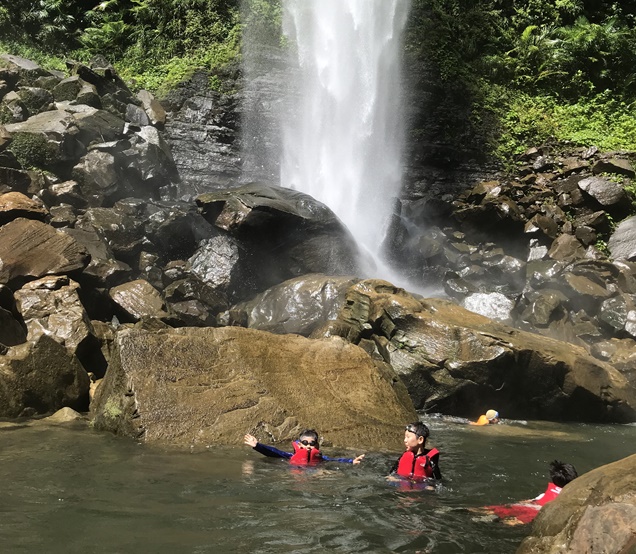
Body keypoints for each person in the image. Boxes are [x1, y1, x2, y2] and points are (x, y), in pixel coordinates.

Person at [480, 460, 578, 525]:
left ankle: (475, 512)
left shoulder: (548, 491)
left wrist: (518, 503)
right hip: (537, 512)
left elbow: (531, 501)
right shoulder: (572, 493)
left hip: (531, 504)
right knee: (511, 522)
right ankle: (492, 520)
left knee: (493, 509)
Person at [244, 429, 365, 466]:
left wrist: (351, 461)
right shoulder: (290, 456)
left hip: (314, 474)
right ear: (300, 444)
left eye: (312, 444)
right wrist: (257, 446)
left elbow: (337, 460)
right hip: (295, 475)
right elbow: (274, 452)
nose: (308, 446)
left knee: (323, 473)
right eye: (305, 443)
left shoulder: (321, 459)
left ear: (316, 445)